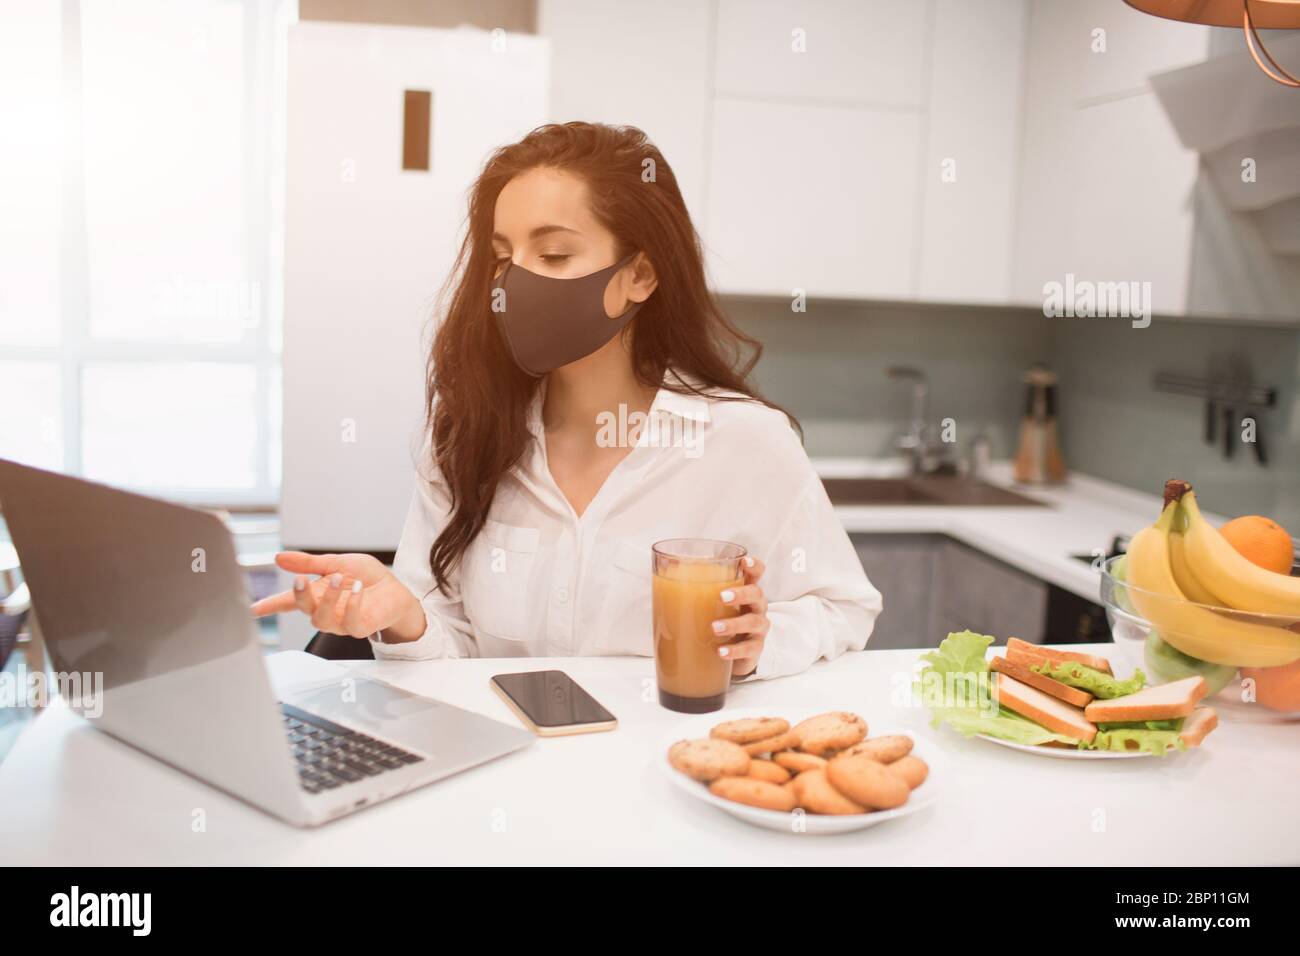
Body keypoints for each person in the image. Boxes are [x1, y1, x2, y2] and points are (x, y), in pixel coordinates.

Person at [253, 122, 881, 680]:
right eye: (502, 257)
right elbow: (451, 664)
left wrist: (757, 646)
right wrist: (400, 619)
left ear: (640, 274)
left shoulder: (744, 441)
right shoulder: (468, 437)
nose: (511, 283)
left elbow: (844, 608)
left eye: (552, 254)